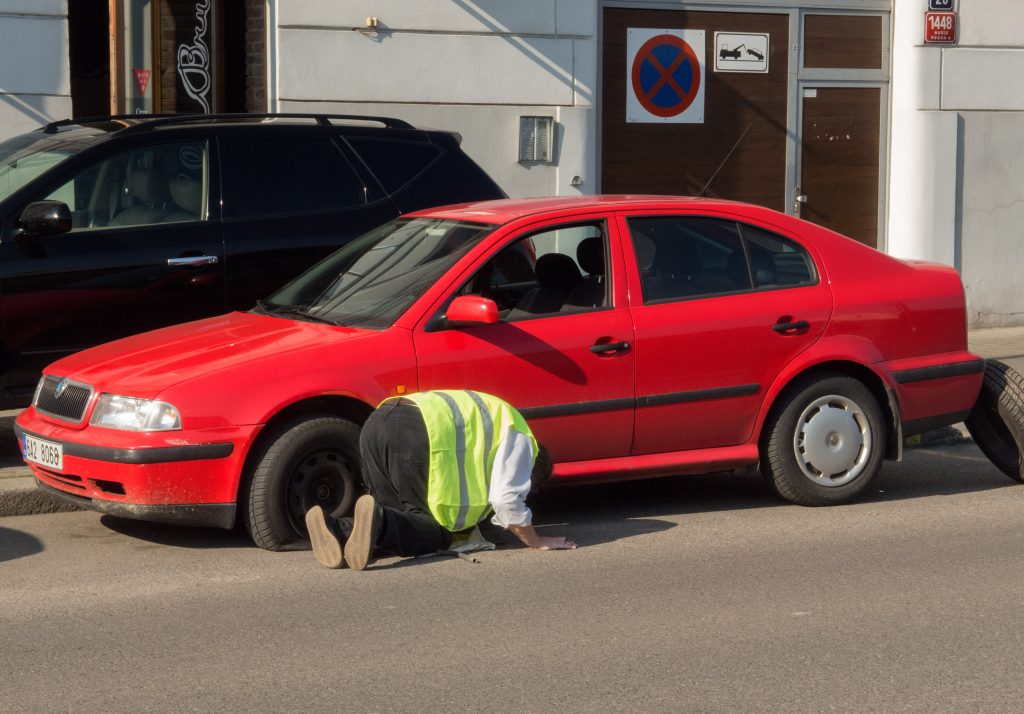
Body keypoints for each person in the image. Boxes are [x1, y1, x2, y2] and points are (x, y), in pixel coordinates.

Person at [305, 389, 576, 570]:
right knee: (432, 531)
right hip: (414, 433)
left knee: (394, 523)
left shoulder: (499, 414)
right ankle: (381, 522)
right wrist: (536, 541)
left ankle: (338, 528)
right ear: (533, 470)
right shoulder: (522, 440)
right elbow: (505, 498)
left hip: (377, 421)